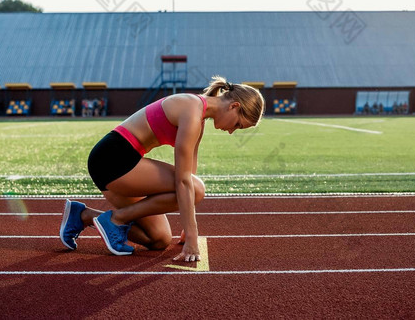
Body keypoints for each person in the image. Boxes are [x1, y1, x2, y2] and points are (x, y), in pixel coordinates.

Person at [59, 76, 265, 262]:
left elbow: (189, 175)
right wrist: (192, 237)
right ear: (234, 106)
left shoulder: (198, 120)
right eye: (238, 125)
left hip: (120, 163)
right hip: (112, 159)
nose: (231, 131)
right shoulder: (191, 111)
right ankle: (116, 219)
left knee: (159, 239)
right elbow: (184, 182)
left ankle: (83, 215)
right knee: (198, 189)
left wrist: (187, 225)